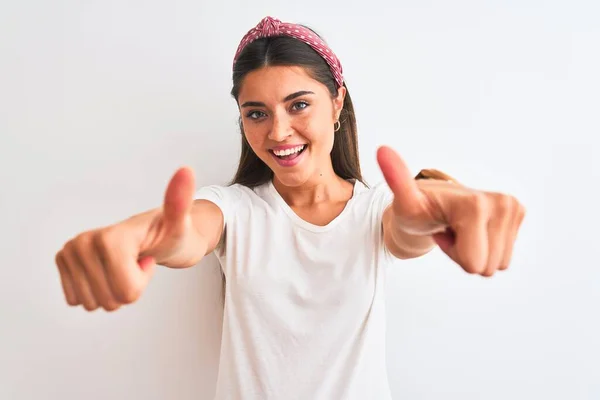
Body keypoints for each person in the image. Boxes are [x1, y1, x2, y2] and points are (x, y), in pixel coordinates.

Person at [54, 16, 525, 400]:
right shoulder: (234, 209)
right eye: (256, 113)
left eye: (298, 105)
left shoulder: (376, 211)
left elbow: (407, 228)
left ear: (337, 102)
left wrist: (443, 203)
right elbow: (185, 234)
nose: (278, 132)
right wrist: (138, 238)